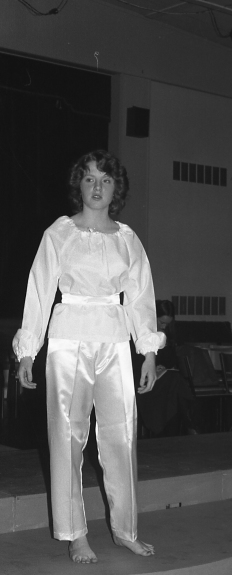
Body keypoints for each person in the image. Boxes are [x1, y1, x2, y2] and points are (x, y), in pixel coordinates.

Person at [13, 149, 165, 563]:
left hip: (114, 341)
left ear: (117, 188)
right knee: (66, 437)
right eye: (90, 179)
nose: (97, 187)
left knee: (122, 436)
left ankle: (126, 530)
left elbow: (140, 297)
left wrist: (148, 352)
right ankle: (75, 534)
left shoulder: (127, 239)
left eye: (106, 180)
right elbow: (40, 291)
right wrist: (28, 350)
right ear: (78, 185)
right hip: (68, 341)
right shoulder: (59, 233)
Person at [133, 299, 197, 436]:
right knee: (176, 384)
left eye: (167, 324)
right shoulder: (142, 333)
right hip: (143, 381)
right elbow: (136, 362)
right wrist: (153, 367)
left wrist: (162, 367)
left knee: (174, 386)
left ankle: (186, 426)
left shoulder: (168, 334)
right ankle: (190, 424)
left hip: (162, 379)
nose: (164, 326)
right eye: (161, 322)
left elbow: (172, 360)